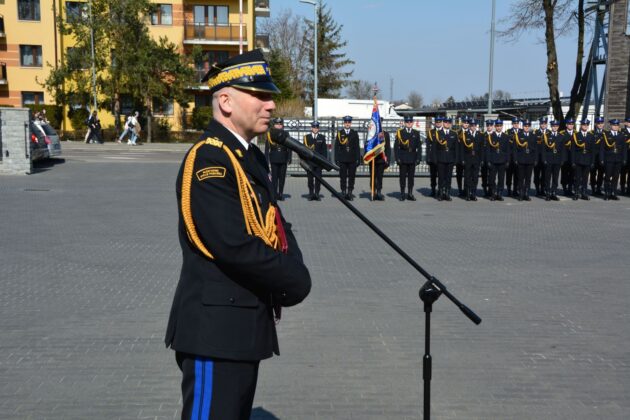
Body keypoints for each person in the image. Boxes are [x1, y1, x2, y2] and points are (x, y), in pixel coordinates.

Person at [164, 49, 311, 420]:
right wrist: (293, 278)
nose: (272, 104)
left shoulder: (249, 157)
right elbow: (233, 244)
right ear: (226, 102)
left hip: (240, 328)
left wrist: (293, 268)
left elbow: (275, 225)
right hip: (216, 334)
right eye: (260, 96)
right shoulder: (209, 159)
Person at [334, 115, 361, 200]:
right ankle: (343, 192)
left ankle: (350, 192)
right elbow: (336, 147)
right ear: (344, 123)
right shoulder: (339, 134)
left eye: (349, 122)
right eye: (346, 122)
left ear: (351, 123)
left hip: (352, 159)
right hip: (342, 159)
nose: (347, 124)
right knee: (343, 176)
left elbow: (357, 147)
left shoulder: (354, 133)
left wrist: (358, 159)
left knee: (352, 177)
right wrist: (336, 159)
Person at [265, 117, 292, 200]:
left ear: (282, 125)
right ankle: (274, 194)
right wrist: (266, 159)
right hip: (274, 158)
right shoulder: (270, 134)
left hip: (283, 158)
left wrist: (289, 158)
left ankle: (280, 194)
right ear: (274, 125)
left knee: (282, 178)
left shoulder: (286, 134)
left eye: (280, 124)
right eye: (277, 124)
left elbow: (290, 147)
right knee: (274, 178)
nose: (279, 126)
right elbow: (267, 148)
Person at [394, 115, 420, 201]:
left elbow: (418, 147)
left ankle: (410, 193)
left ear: (412, 123)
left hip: (412, 157)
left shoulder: (416, 133)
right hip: (403, 157)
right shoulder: (400, 132)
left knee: (411, 177)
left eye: (410, 122)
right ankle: (402, 194)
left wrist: (418, 158)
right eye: (407, 122)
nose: (409, 123)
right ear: (405, 123)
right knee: (402, 177)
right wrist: (397, 158)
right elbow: (396, 147)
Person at [601, 119, 627, 200]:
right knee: (608, 176)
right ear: (611, 126)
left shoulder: (621, 135)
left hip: (618, 159)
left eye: (617, 125)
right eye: (614, 125)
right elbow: (602, 149)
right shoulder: (606, 135)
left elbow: (624, 149)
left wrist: (624, 159)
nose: (615, 127)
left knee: (616, 177)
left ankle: (613, 193)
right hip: (609, 159)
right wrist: (601, 159)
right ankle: (607, 193)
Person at [458, 118, 484, 201]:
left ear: (476, 126)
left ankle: (474, 194)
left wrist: (482, 159)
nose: (473, 127)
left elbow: (482, 149)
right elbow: (461, 148)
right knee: (467, 177)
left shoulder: (480, 135)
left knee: (475, 177)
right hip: (467, 159)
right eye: (471, 125)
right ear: (469, 126)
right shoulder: (465, 134)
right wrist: (462, 159)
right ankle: (468, 194)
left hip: (476, 159)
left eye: (474, 125)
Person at [433, 117, 458, 201]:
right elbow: (434, 148)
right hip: (441, 158)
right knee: (441, 177)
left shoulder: (454, 134)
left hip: (450, 159)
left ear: (450, 124)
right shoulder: (438, 133)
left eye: (449, 123)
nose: (447, 124)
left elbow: (456, 149)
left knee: (448, 177)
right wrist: (435, 159)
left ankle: (447, 193)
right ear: (443, 123)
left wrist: (455, 160)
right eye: (446, 123)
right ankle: (440, 193)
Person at [485, 120, 511, 201]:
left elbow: (508, 150)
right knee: (492, 179)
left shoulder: (506, 136)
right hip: (493, 161)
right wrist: (488, 161)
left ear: (502, 126)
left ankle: (499, 194)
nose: (499, 127)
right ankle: (493, 193)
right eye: (497, 126)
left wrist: (507, 161)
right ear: (495, 127)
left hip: (502, 161)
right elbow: (488, 150)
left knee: (501, 178)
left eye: (500, 126)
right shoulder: (490, 136)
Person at [512, 120, 537, 201]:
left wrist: (535, 159)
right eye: (525, 126)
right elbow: (515, 149)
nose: (526, 127)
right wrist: (515, 159)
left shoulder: (533, 136)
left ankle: (527, 194)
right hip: (521, 160)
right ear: (523, 126)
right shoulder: (518, 135)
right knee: (520, 178)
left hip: (530, 160)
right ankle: (521, 194)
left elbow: (536, 149)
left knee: (528, 178)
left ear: (529, 127)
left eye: (528, 126)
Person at [571, 119, 596, 200]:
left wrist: (592, 162)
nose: (585, 126)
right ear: (581, 125)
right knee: (577, 178)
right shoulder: (576, 135)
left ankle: (584, 193)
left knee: (585, 178)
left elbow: (593, 151)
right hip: (578, 160)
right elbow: (573, 150)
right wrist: (573, 161)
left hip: (588, 160)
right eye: (584, 125)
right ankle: (576, 192)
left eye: (586, 125)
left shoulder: (591, 136)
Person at [303, 121, 327, 201]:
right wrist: (305, 161)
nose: (315, 129)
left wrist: (324, 163)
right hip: (309, 162)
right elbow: (303, 151)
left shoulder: (322, 137)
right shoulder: (306, 138)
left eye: (317, 127)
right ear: (311, 128)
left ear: (318, 128)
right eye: (314, 127)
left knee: (318, 179)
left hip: (318, 163)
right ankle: (311, 193)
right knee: (310, 179)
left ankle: (317, 194)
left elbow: (324, 152)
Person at [542, 120, 565, 201]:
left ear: (558, 127)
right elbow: (544, 149)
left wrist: (562, 160)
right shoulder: (546, 136)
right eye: (553, 126)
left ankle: (554, 192)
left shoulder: (561, 136)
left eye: (556, 126)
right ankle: (547, 193)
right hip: (548, 159)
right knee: (547, 177)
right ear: (551, 126)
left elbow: (563, 150)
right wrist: (544, 159)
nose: (555, 127)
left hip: (557, 160)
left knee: (555, 177)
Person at [369, 117, 391, 201]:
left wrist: (388, 159)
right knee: (372, 176)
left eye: (380, 123)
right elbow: (367, 146)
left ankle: (379, 192)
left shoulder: (385, 134)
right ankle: (373, 192)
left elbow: (388, 148)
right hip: (373, 159)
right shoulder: (371, 134)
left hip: (381, 159)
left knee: (380, 177)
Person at [425, 116, 443, 197]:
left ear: (441, 122)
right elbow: (428, 146)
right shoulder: (430, 132)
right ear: (435, 123)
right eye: (437, 122)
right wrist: (427, 157)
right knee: (433, 175)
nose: (438, 123)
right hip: (432, 157)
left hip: (441, 157)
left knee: (441, 175)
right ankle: (433, 190)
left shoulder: (444, 131)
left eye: (439, 122)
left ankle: (440, 190)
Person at [533, 117, 550, 197]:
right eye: (542, 123)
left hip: (546, 158)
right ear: (540, 124)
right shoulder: (535, 133)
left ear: (546, 124)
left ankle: (543, 189)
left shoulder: (549, 133)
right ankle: (537, 190)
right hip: (537, 158)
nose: (543, 125)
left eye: (545, 123)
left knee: (545, 175)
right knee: (536, 175)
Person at [590, 117, 606, 195]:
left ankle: (599, 188)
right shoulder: (592, 133)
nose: (600, 125)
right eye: (598, 123)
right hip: (593, 157)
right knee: (593, 173)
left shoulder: (606, 133)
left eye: (601, 123)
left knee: (601, 173)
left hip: (602, 158)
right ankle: (593, 188)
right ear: (596, 124)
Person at [506, 118, 521, 197]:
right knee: (509, 174)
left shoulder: (521, 132)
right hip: (510, 158)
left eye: (517, 123)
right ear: (512, 124)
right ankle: (509, 190)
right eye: (514, 123)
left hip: (519, 157)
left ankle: (515, 190)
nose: (516, 124)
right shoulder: (508, 132)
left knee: (517, 175)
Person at [560, 118, 576, 196]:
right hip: (565, 157)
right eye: (569, 124)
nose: (571, 125)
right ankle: (564, 189)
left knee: (572, 174)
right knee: (564, 173)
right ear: (566, 125)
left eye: (572, 124)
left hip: (573, 158)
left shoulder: (576, 133)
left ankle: (570, 188)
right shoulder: (562, 133)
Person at [455, 116, 470, 197]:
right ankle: (460, 189)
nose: (466, 124)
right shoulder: (457, 133)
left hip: (468, 157)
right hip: (459, 157)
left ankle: (466, 189)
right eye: (465, 122)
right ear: (462, 123)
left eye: (467, 123)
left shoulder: (470, 133)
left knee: (467, 175)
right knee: (459, 174)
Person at [480, 119, 494, 197]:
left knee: (492, 176)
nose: (489, 127)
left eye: (490, 125)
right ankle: (485, 190)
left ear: (493, 126)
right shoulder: (483, 135)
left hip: (493, 159)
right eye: (488, 125)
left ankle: (491, 190)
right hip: (484, 159)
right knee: (484, 175)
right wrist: (481, 159)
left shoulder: (494, 135)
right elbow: (481, 148)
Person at [619, 117, 630, 195]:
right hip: (624, 154)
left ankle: (629, 188)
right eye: (629, 122)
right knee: (623, 172)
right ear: (625, 123)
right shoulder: (622, 132)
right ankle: (622, 187)